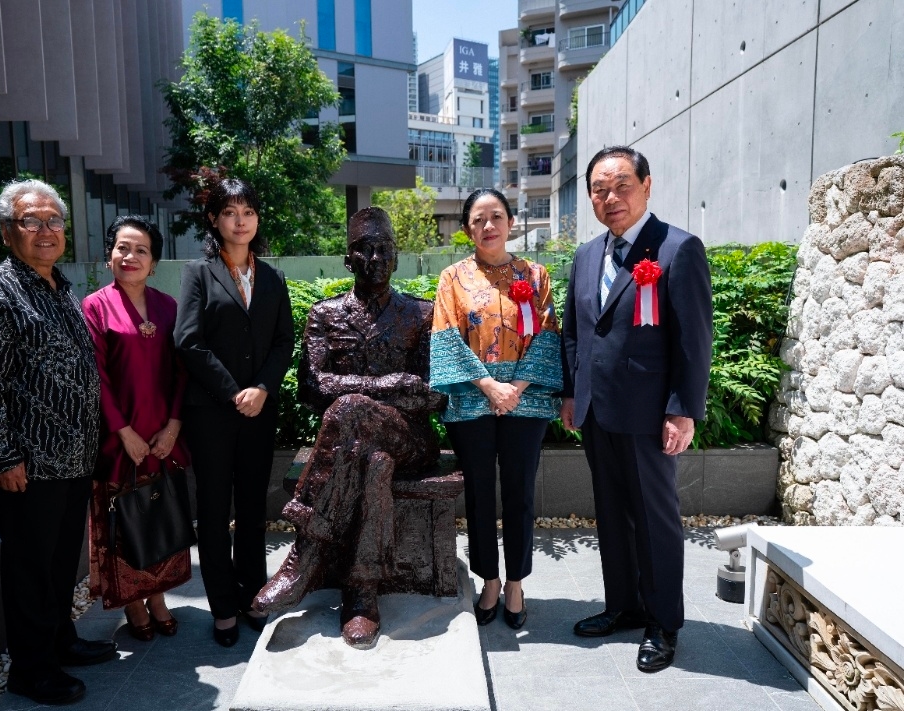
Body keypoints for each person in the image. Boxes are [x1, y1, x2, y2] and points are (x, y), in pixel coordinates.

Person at [252, 206, 447, 649]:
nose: (375, 258)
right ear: (347, 260)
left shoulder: (422, 314)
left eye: (384, 250)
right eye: (364, 250)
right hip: (359, 445)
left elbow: (432, 392)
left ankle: (305, 555)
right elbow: (312, 385)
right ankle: (361, 597)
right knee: (373, 461)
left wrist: (370, 393)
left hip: (411, 439)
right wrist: (388, 383)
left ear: (396, 258)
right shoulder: (326, 315)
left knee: (350, 408)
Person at [0, 179, 116, 705]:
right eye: (32, 221)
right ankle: (32, 669)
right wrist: (2, 456)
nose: (46, 230)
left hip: (72, 459)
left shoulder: (61, 287)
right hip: (27, 465)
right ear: (8, 231)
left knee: (57, 564)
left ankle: (59, 641)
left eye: (54, 221)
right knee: (29, 570)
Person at [560, 145, 712, 673]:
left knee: (655, 520)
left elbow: (694, 341)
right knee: (612, 515)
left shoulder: (677, 249)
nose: (610, 197)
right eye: (599, 189)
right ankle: (623, 605)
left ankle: (664, 622)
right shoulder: (585, 256)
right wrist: (571, 394)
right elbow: (576, 332)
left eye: (621, 184)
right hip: (598, 413)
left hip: (650, 416)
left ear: (647, 185)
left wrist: (681, 409)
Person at [430, 188, 562, 630]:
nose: (489, 226)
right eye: (479, 219)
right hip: (472, 398)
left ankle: (517, 583)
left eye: (497, 217)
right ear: (467, 227)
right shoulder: (452, 278)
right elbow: (446, 338)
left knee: (521, 493)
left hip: (526, 399)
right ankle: (489, 579)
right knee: (480, 493)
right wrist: (489, 385)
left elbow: (547, 336)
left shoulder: (536, 275)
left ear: (510, 222)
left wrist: (515, 388)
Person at [174, 178, 294, 648]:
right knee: (213, 506)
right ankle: (222, 606)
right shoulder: (198, 274)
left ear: (257, 219)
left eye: (247, 211)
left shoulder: (273, 276)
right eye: (229, 212)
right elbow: (188, 340)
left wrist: (262, 387)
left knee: (251, 510)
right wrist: (234, 392)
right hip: (213, 413)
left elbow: (284, 340)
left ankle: (251, 596)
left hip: (259, 412)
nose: (240, 220)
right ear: (214, 219)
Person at [82, 216, 192, 641]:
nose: (130, 257)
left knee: (160, 515)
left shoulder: (169, 307)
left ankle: (160, 597)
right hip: (118, 440)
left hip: (165, 436)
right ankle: (132, 601)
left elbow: (183, 373)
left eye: (141, 250)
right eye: (122, 248)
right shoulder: (95, 306)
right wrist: (124, 432)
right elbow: (97, 378)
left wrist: (173, 427)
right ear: (109, 254)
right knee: (123, 523)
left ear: (154, 262)